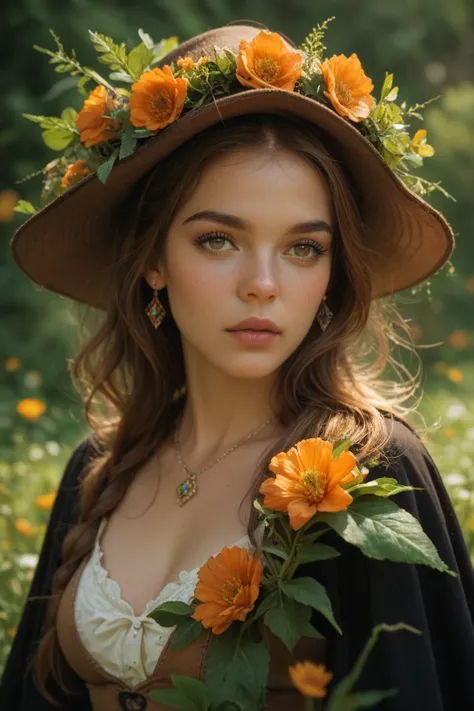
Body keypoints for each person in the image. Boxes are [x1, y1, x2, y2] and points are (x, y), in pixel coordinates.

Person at [1, 18, 473, 711]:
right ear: (155, 259)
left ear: (333, 271)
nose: (263, 283)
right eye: (219, 239)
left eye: (303, 247)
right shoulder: (99, 470)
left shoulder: (366, 472)